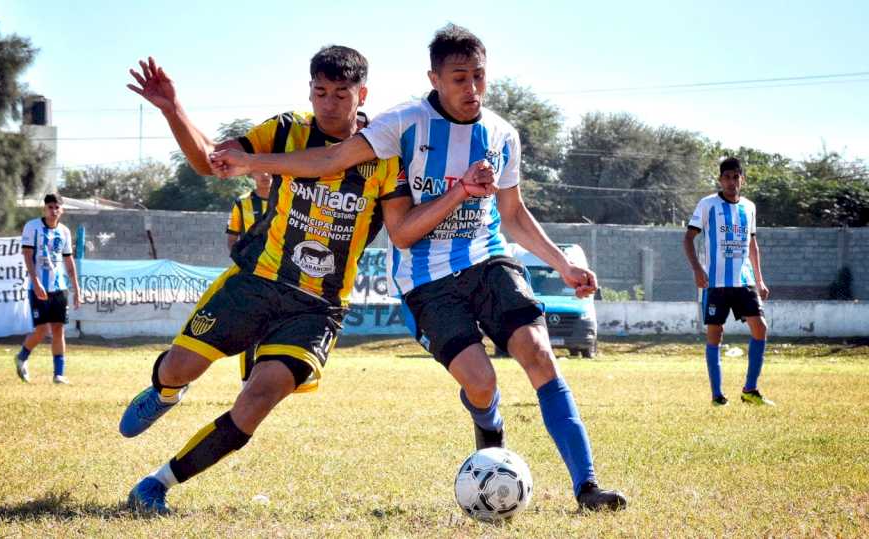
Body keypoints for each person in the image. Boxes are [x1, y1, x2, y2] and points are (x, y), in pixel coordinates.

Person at [210, 24, 627, 512]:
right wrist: (250, 161)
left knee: (538, 354)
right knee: (481, 381)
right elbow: (337, 159)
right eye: (458, 79)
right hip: (425, 279)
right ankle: (489, 427)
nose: (470, 89)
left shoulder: (502, 134)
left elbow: (512, 214)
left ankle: (587, 487)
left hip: (487, 259)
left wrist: (563, 264)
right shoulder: (404, 123)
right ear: (434, 77)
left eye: (478, 77)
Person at [120, 47, 492, 515]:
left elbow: (400, 229)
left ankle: (157, 484)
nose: (329, 103)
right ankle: (166, 392)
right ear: (309, 91)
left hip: (317, 308)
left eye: (341, 94)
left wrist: (459, 194)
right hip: (256, 281)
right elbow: (211, 161)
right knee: (177, 368)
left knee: (257, 399)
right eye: (320, 92)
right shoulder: (286, 131)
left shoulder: (386, 154)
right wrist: (173, 109)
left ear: (363, 95)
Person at [684, 157, 773, 407]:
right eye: (727, 177)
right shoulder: (708, 205)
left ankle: (750, 389)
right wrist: (697, 269)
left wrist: (760, 279)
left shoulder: (749, 207)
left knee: (760, 328)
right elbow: (688, 238)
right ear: (720, 180)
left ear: (742, 179)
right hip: (716, 283)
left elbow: (752, 244)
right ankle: (717, 395)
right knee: (715, 334)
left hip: (744, 281)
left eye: (736, 177)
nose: (732, 182)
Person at [14, 193, 81, 384]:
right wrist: (36, 282)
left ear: (62, 210)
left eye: (56, 207)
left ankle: (58, 374)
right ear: (44, 209)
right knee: (42, 329)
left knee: (59, 329)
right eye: (50, 207)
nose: (53, 210)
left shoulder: (65, 232)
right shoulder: (32, 227)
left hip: (59, 287)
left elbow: (68, 260)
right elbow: (27, 255)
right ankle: (21, 357)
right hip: (39, 287)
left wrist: (76, 288)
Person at [225, 170, 271, 388]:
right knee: (249, 328)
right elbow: (232, 237)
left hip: (279, 273)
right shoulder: (242, 203)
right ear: (252, 174)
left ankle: (268, 379)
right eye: (261, 171)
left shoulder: (287, 200)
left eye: (271, 171)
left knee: (274, 328)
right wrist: (241, 262)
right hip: (250, 275)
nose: (266, 175)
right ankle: (246, 381)